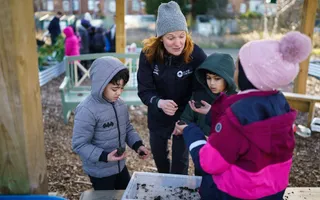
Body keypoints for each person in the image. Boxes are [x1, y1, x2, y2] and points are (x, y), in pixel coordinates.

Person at [181, 31, 312, 199]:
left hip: (235, 194)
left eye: (238, 67)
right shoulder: (280, 104)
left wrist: (191, 131)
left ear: (248, 75)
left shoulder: (236, 116)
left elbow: (209, 163)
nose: (234, 72)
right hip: (272, 191)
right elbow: (251, 129)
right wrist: (214, 113)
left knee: (208, 180)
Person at [137, 1, 207, 175]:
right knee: (160, 159)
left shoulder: (195, 54)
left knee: (180, 162)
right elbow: (144, 90)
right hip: (158, 113)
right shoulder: (148, 54)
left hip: (185, 114)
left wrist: (185, 119)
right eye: (171, 38)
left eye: (182, 36)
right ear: (160, 38)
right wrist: (159, 103)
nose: (178, 43)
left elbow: (201, 90)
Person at [72, 56, 149, 190]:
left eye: (121, 88)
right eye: (114, 89)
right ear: (100, 85)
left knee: (126, 192)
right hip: (100, 170)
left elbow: (127, 129)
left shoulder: (120, 105)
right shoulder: (87, 110)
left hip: (119, 165)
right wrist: (105, 156)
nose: (119, 93)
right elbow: (79, 144)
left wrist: (138, 145)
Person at [174, 53, 237, 175]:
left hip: (225, 158)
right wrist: (182, 125)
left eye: (217, 78)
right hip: (202, 150)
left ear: (228, 77)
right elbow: (186, 117)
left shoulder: (236, 101)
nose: (212, 83)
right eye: (208, 78)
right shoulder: (199, 96)